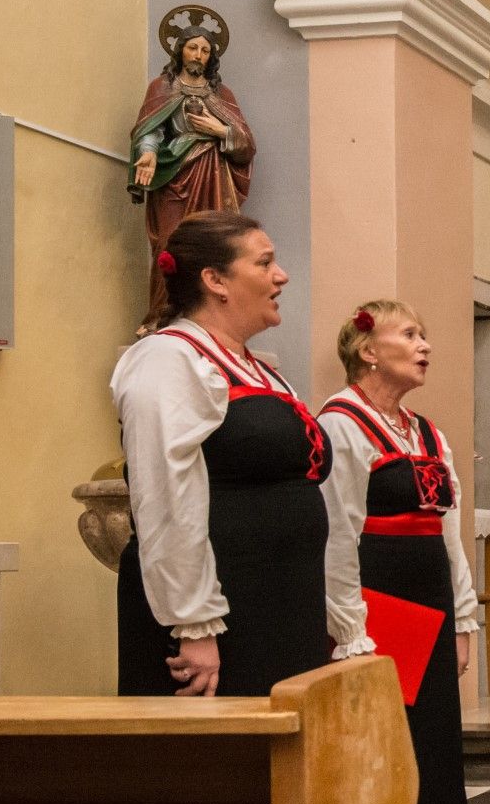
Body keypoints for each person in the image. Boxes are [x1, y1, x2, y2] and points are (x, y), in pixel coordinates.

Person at [318, 301, 490, 804]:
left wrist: (465, 618)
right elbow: (336, 534)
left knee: (433, 748)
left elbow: (451, 533)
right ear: (367, 349)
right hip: (377, 603)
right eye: (410, 334)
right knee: (381, 753)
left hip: (431, 603)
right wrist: (349, 629)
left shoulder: (427, 433)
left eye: (425, 333)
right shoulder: (341, 424)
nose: (425, 345)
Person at [113, 212, 330, 698]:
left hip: (282, 602)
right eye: (265, 262)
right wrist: (195, 623)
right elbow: (164, 491)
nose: (282, 275)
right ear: (215, 280)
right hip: (224, 615)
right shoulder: (166, 358)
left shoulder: (259, 369)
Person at [129, 24, 254, 324]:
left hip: (212, 176)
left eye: (205, 50)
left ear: (211, 57)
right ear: (180, 50)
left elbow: (246, 144)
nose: (199, 55)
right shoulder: (162, 88)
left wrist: (220, 130)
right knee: (169, 243)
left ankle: (211, 319)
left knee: (212, 246)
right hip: (174, 176)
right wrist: (147, 153)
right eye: (192, 47)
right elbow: (151, 129)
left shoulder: (222, 94)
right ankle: (162, 317)